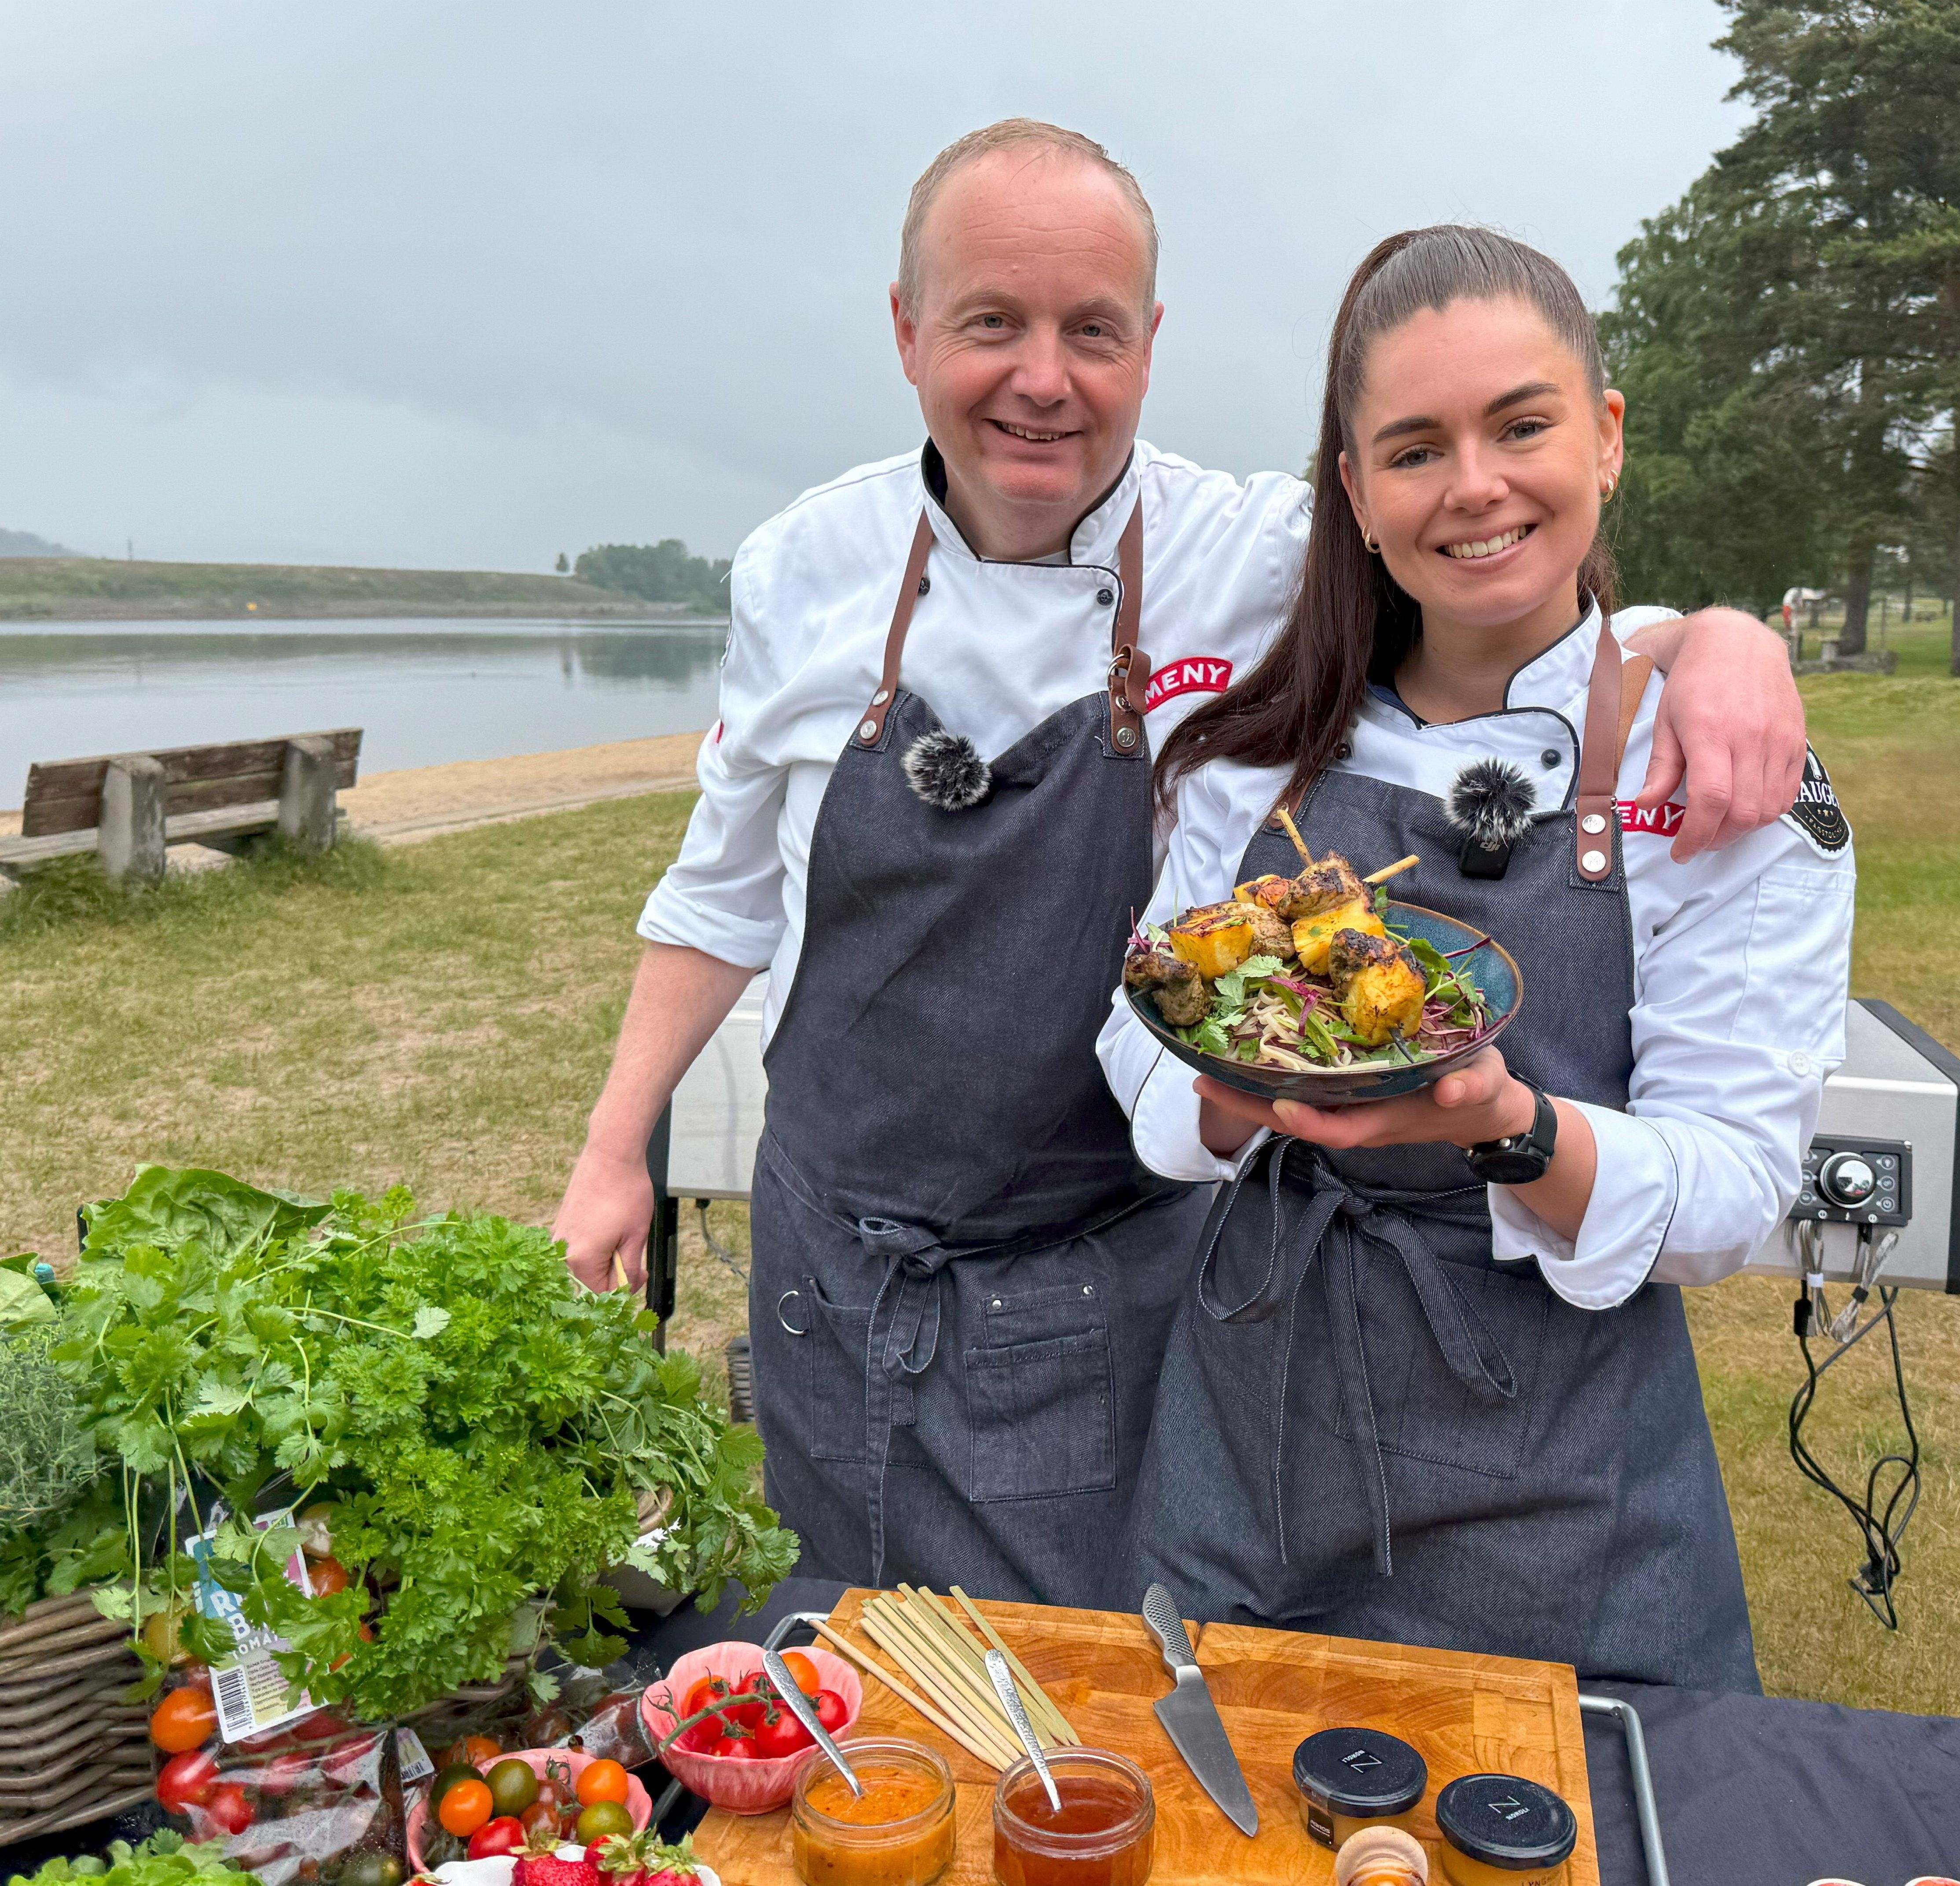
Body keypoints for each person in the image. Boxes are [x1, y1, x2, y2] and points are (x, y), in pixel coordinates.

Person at [550, 121, 1812, 1611]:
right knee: (843, 1656)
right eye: (990, 326)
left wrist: (1714, 644)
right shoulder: (798, 570)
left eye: (1092, 331)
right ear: (905, 335)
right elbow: (725, 887)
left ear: (1150, 346)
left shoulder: (1256, 550)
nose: (1043, 379)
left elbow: (1492, 576)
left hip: (1097, 1263)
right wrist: (614, 1143)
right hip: (831, 1246)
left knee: (1070, 1700)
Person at [1099, 226, 1854, 1686]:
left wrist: (1510, 1132)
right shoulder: (1247, 758)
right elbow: (1139, 1038)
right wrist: (1225, 1092)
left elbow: (1733, 1188)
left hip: (1563, 1463)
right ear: (1357, 497)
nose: (1477, 486)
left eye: (1522, 425)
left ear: (1608, 436)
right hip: (1253, 1421)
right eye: (1415, 449)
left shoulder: (1722, 774)